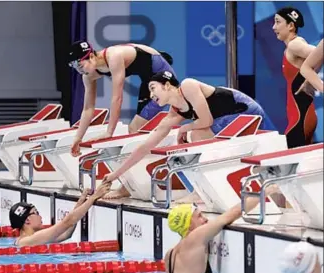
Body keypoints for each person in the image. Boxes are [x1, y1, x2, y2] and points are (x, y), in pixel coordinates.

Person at [102, 71, 273, 199]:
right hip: (227, 121)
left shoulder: (188, 86)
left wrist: (183, 129)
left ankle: (200, 193)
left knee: (195, 135)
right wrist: (115, 175)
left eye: (153, 88)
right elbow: (146, 146)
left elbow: (206, 120)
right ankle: (201, 191)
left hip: (246, 113)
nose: (151, 95)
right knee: (186, 142)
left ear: (167, 85)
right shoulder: (174, 114)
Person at [68, 41, 176, 157]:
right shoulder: (88, 76)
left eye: (80, 65)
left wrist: (109, 133)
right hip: (149, 80)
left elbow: (117, 98)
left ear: (91, 56)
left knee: (135, 129)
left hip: (164, 78)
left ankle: (169, 152)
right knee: (136, 130)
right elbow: (88, 108)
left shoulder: (114, 57)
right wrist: (78, 138)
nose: (80, 71)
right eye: (74, 67)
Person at [164, 185, 279, 273]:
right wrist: (266, 191)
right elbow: (233, 213)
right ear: (188, 225)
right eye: (199, 216)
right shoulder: (196, 237)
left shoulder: (170, 255)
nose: (205, 219)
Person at [272, 7, 318, 148]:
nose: (274, 27)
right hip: (301, 116)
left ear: (291, 26)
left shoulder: (294, 45)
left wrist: (311, 76)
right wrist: (309, 74)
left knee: (290, 165)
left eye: (278, 22)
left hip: (300, 118)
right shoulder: (292, 46)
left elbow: (320, 53)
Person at [9, 183, 110, 247]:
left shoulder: (28, 240)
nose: (40, 216)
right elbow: (67, 222)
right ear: (27, 220)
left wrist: (82, 199)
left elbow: (66, 234)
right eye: (36, 213)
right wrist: (94, 197)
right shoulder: (29, 240)